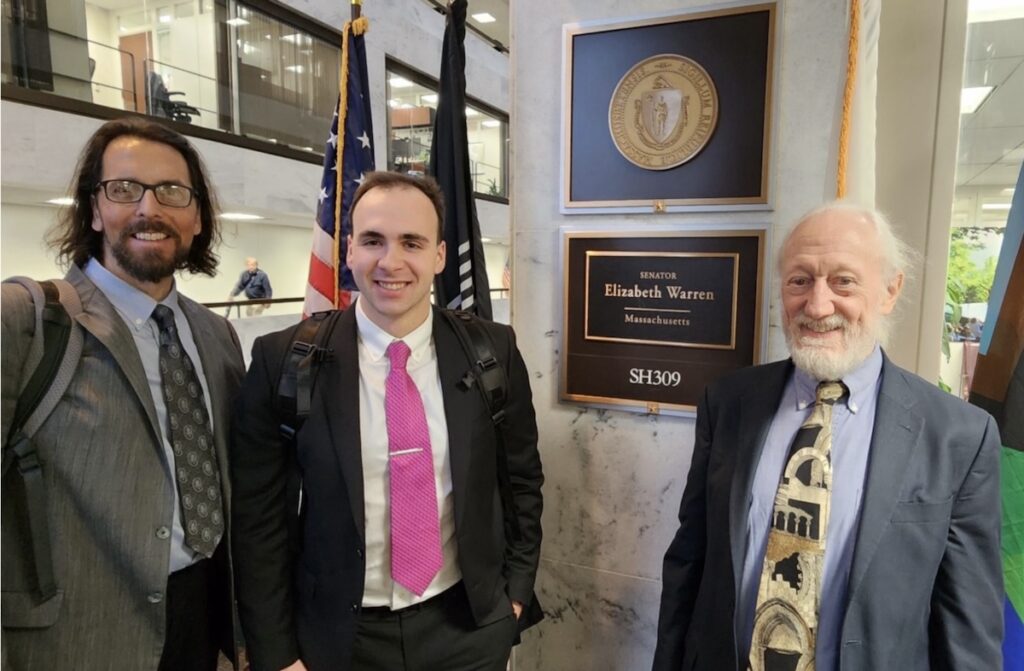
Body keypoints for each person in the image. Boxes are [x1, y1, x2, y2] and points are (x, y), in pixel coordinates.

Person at [653, 203, 1003, 671]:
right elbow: (689, 564)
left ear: (889, 291)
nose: (817, 306)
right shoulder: (729, 402)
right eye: (800, 280)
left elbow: (967, 623)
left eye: (844, 281)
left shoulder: (958, 435)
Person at [231, 171, 544, 671]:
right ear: (349, 250)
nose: (390, 261)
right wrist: (277, 653)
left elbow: (521, 480)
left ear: (439, 256)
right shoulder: (282, 359)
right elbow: (258, 519)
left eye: (411, 243)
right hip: (339, 639)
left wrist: (514, 595)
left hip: (466, 629)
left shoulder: (492, 351)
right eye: (374, 241)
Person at [1, 117, 245, 670]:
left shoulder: (217, 336)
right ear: (93, 209)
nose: (148, 209)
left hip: (204, 623)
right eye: (124, 189)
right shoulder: (25, 321)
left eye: (172, 192)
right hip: (78, 639)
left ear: (198, 217)